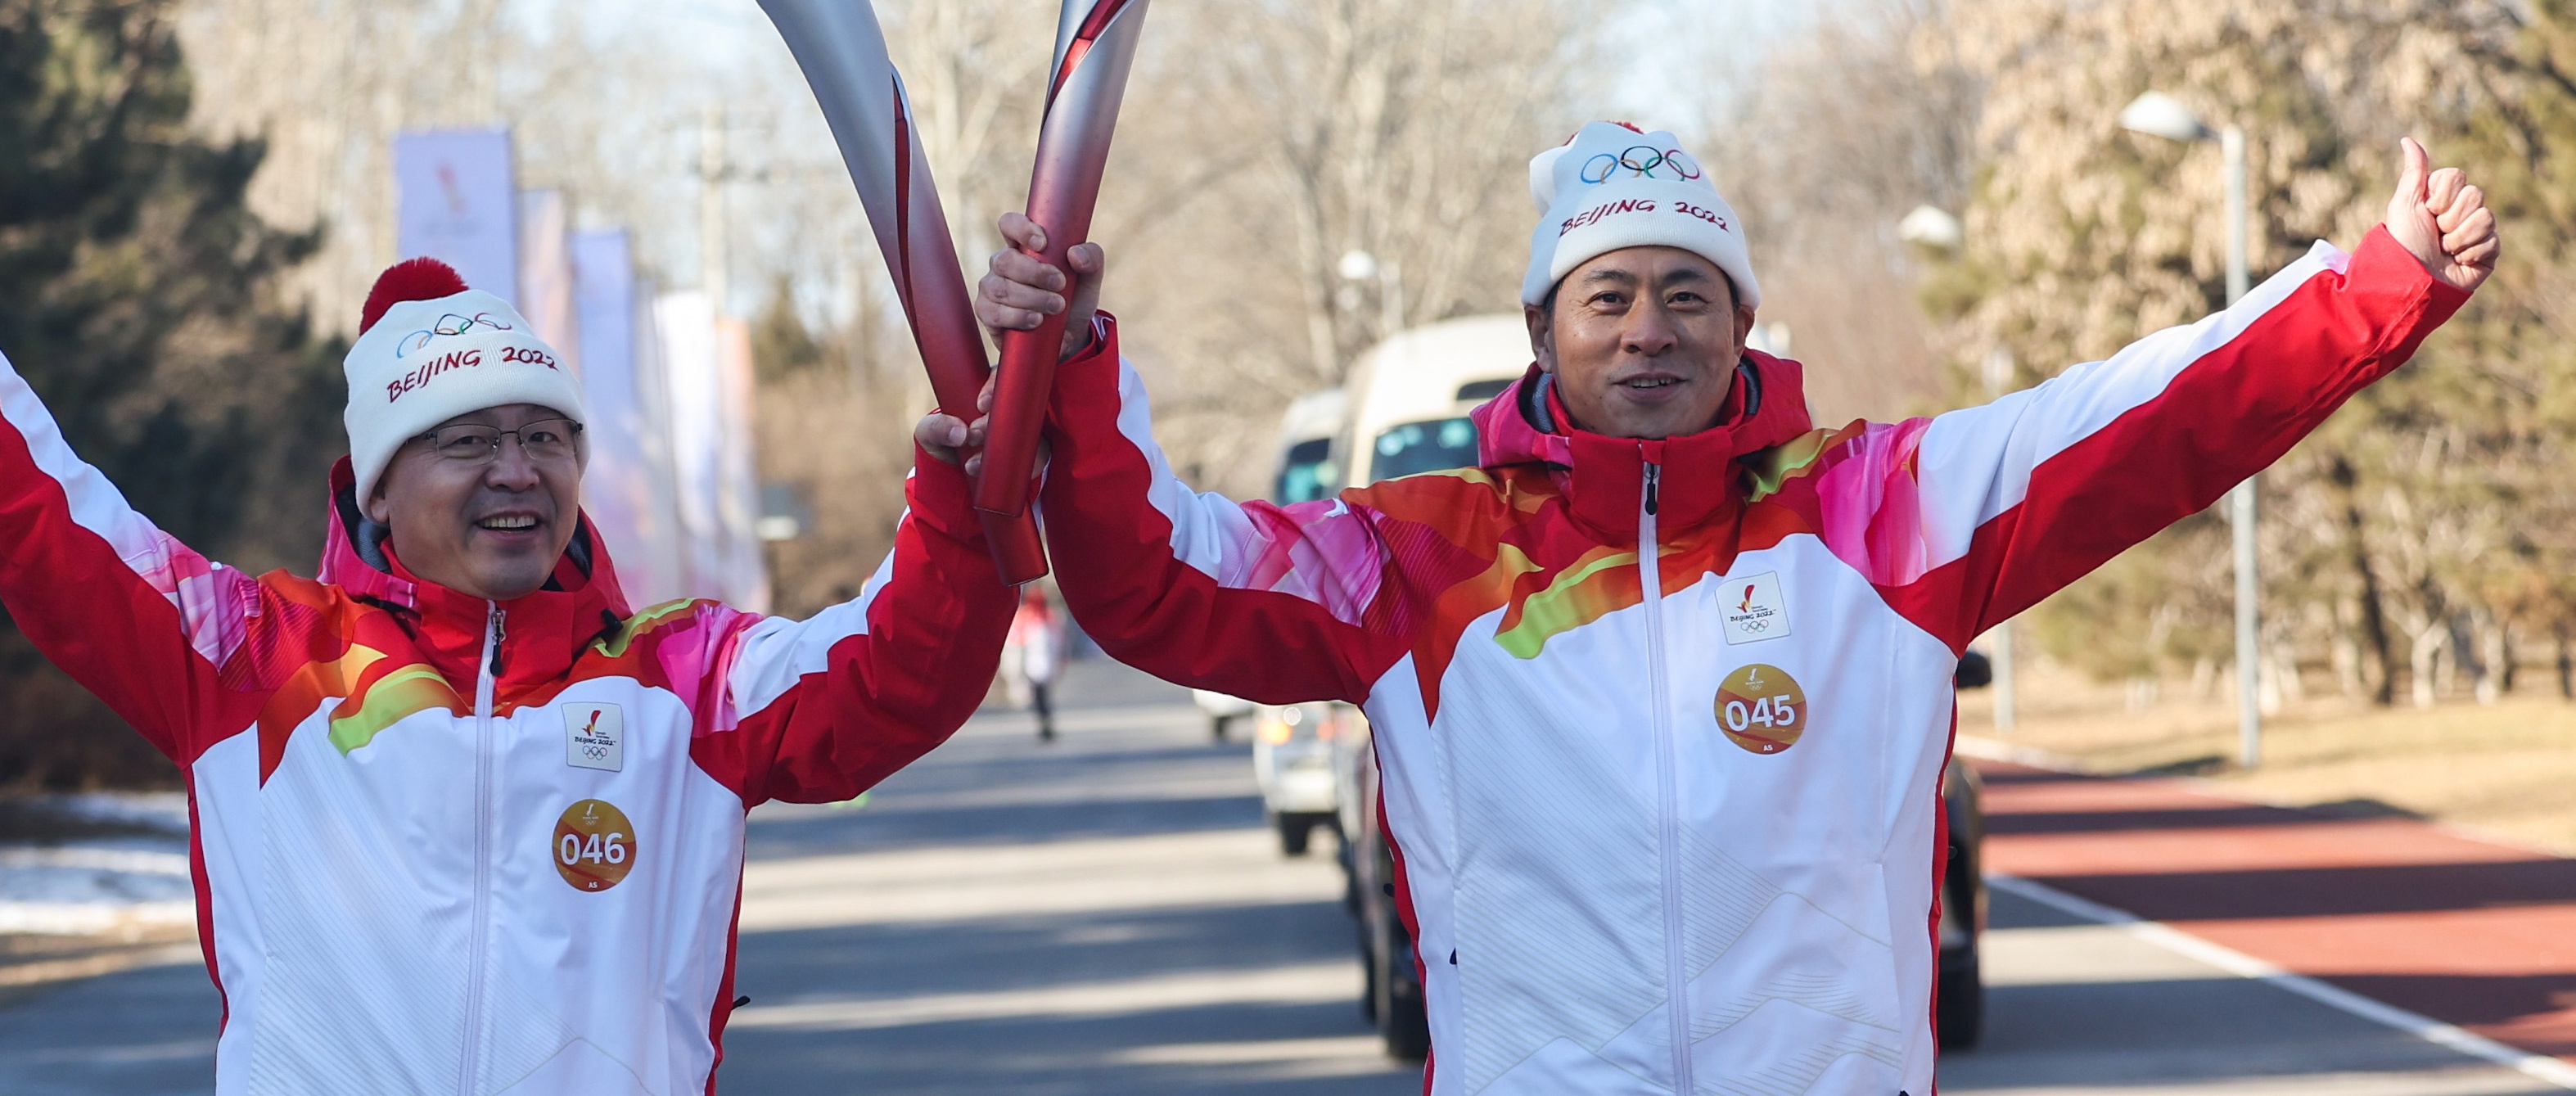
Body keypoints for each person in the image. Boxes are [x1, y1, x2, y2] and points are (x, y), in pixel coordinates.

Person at [962, 120, 2497, 1096]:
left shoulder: (1876, 513)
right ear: (1541, 332)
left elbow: (2145, 418)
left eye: (1686, 293)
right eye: (1609, 295)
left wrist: (2380, 280)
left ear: (1741, 320)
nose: (1649, 330)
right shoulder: (1418, 559)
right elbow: (1157, 577)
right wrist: (1080, 363)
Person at [0, 147, 1017, 1096]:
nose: (515, 468)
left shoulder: (682, 674)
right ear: (378, 485)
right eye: (466, 440)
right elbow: (31, 510)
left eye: (544, 436)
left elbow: (897, 669)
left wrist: (961, 520)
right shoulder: (253, 658)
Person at [1003, 585, 1067, 741]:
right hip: (1033, 665)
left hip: (1043, 664)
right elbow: (1016, 643)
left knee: (1042, 696)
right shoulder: (1030, 618)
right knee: (1040, 696)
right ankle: (1045, 723)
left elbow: (1059, 642)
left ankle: (1045, 724)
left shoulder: (1048, 618)